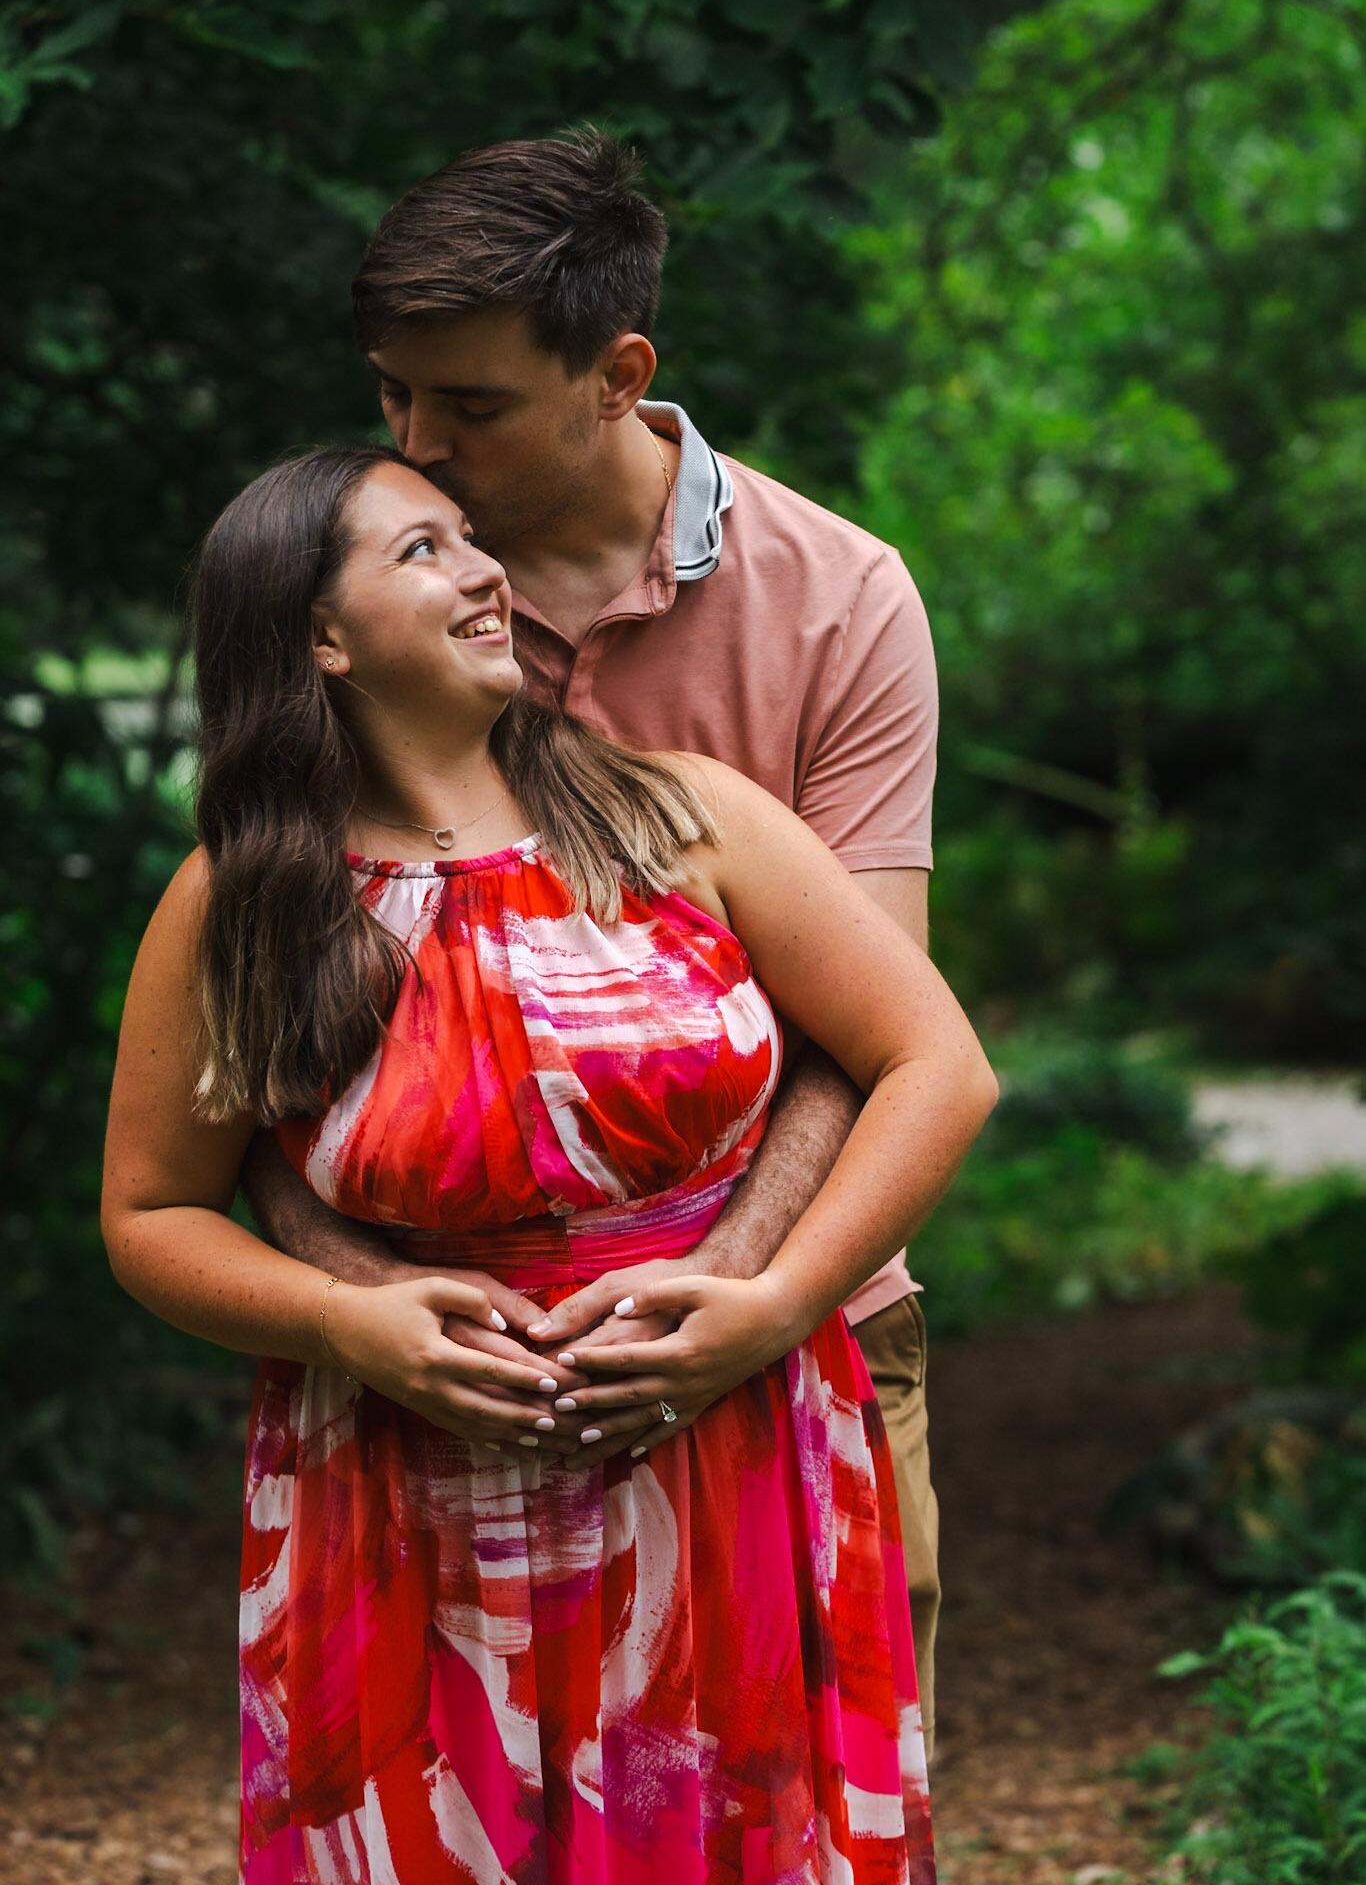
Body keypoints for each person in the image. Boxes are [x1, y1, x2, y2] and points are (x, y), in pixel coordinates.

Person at [101, 444, 997, 1879]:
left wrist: (770, 1307)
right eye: (421, 552)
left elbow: (935, 1067)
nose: (481, 571)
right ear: (319, 638)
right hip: (402, 1486)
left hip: (729, 1454)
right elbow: (151, 1211)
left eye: (470, 540)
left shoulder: (679, 815)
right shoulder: (244, 903)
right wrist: (348, 1318)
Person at [241, 129, 952, 1757]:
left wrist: (735, 1292)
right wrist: (364, 1297)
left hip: (801, 1320)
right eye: (391, 398)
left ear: (620, 371)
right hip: (428, 1379)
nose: (418, 445)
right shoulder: (364, 588)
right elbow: (256, 1031)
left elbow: (878, 1028)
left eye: (469, 407)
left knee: (786, 1806)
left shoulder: (836, 603)